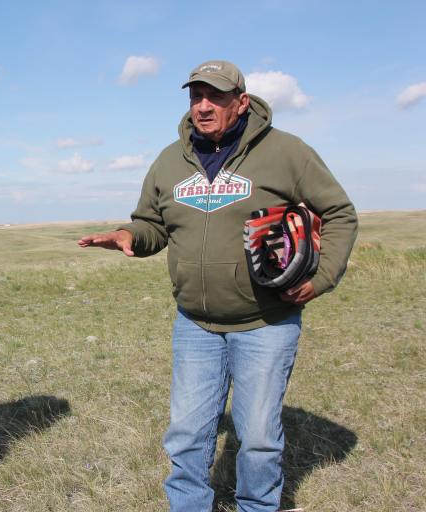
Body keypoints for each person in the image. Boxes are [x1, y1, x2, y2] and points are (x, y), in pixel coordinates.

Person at [79, 61, 357, 511]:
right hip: (195, 324)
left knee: (260, 437)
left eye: (216, 97)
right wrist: (130, 236)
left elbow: (341, 213)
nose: (203, 106)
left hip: (266, 322)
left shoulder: (286, 152)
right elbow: (152, 222)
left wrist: (322, 277)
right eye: (195, 96)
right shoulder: (171, 160)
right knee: (187, 434)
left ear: (241, 101)